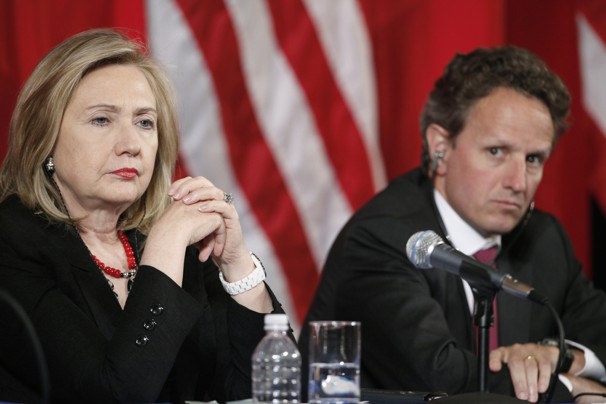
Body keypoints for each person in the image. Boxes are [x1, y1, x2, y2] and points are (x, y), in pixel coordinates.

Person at [299, 45, 606, 403]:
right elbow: (443, 380)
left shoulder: (544, 237)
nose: (519, 182)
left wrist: (561, 357)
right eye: (496, 152)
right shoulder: (382, 238)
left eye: (533, 159)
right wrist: (573, 388)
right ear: (440, 148)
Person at [0, 28, 291, 404]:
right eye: (102, 120)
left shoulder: (169, 238)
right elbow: (113, 395)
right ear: (44, 137)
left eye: (144, 123)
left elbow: (268, 387)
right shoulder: (11, 241)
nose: (131, 145)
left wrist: (237, 265)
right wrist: (165, 247)